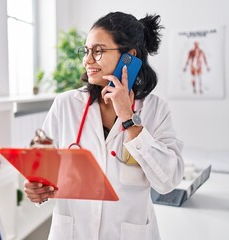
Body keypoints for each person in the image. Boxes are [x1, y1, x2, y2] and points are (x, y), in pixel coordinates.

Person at [24, 11, 184, 240]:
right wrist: (37, 188)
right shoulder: (66, 105)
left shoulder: (155, 110)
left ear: (129, 56)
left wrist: (128, 119)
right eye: (86, 51)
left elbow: (168, 181)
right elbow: (43, 168)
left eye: (98, 51)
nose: (87, 60)